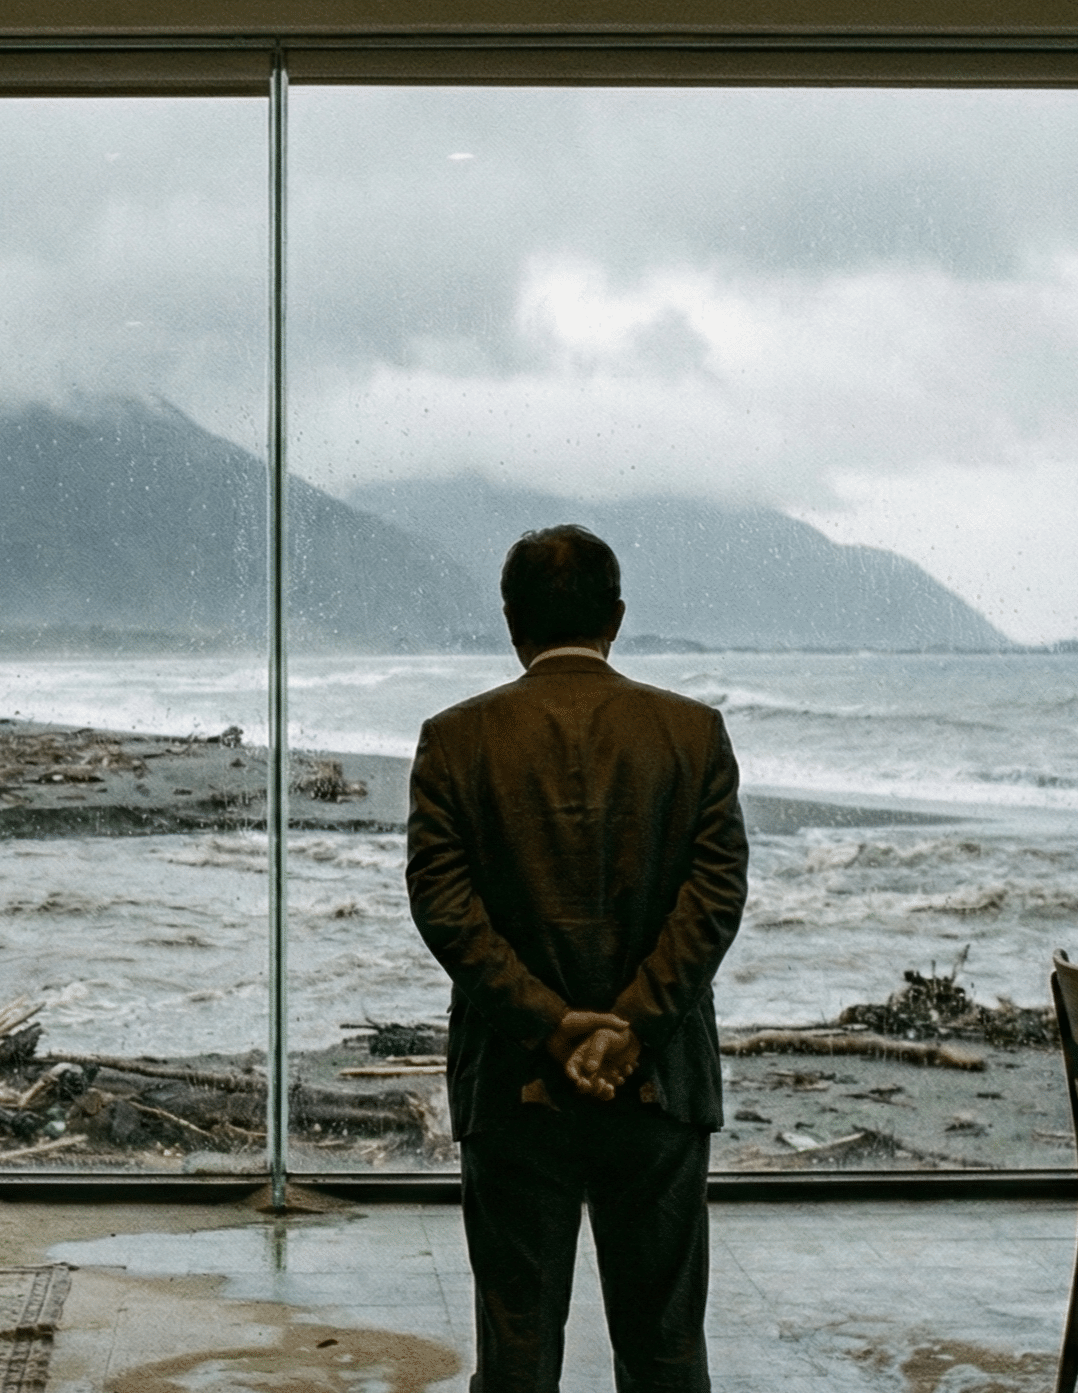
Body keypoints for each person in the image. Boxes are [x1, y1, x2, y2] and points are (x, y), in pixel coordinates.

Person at [406, 523, 748, 1393]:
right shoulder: (694, 734)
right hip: (661, 1084)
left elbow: (445, 908)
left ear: (512, 622)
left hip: (511, 1088)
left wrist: (553, 1026)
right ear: (618, 617)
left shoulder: (454, 740)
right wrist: (630, 1027)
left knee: (516, 1350)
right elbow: (712, 903)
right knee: (665, 1347)